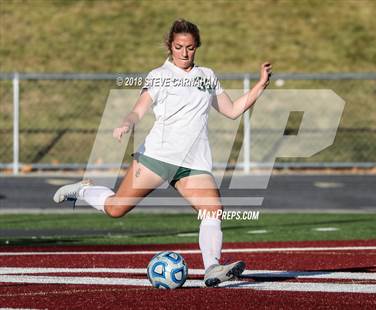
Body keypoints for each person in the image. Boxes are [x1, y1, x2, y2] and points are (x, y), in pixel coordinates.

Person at [53, 19, 272, 287]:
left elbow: (232, 110)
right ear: (170, 46)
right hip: (156, 157)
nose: (184, 53)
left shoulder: (208, 76)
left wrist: (260, 85)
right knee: (116, 209)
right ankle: (83, 190)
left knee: (213, 210)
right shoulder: (159, 75)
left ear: (197, 47)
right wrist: (127, 122)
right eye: (179, 47)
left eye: (190, 48)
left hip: (193, 164)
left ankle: (212, 267)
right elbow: (139, 108)